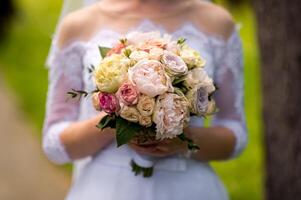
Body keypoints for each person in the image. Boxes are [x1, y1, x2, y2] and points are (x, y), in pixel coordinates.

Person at [43, 0, 247, 199]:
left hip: (188, 187)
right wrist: (117, 124)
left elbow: (236, 134)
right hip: (106, 188)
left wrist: (183, 140)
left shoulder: (217, 22)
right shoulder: (79, 25)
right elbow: (53, 144)